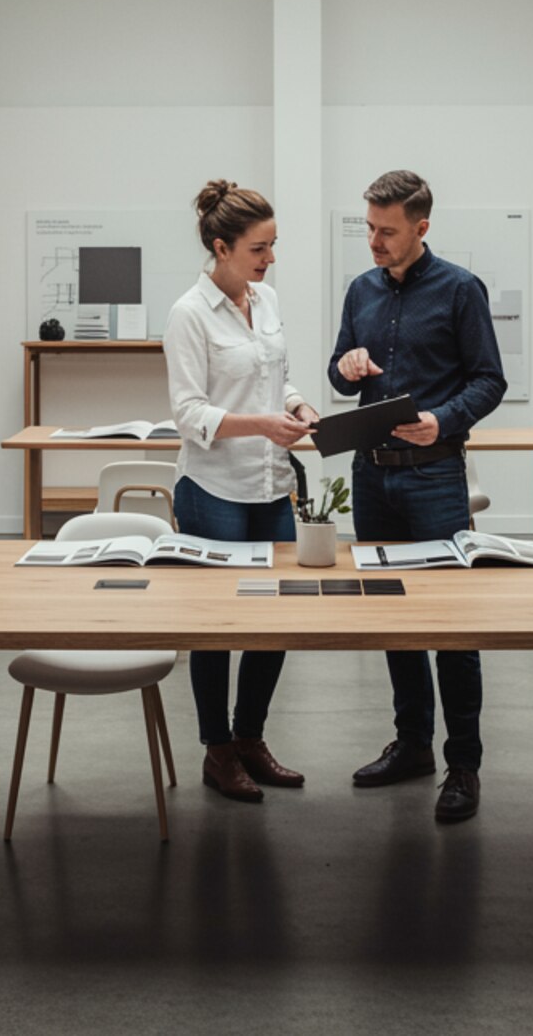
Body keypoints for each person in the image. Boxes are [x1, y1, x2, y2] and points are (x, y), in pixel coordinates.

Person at [329, 169, 507, 823]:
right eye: (369, 230)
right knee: (394, 619)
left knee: (453, 627)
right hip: (371, 475)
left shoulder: (461, 289)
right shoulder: (360, 290)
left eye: (387, 232)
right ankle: (412, 745)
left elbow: (490, 380)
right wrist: (345, 367)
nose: (374, 242)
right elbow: (340, 371)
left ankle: (464, 764)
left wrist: (444, 420)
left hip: (434, 474)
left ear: (421, 228)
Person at [165, 180, 321, 802]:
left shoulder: (270, 301)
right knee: (216, 626)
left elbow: (273, 379)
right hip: (213, 488)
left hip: (270, 484)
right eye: (260, 247)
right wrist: (262, 423)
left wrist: (297, 402)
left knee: (273, 620)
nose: (270, 258)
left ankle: (251, 737)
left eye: (274, 245)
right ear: (221, 246)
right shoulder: (188, 314)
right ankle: (217, 750)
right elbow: (189, 412)